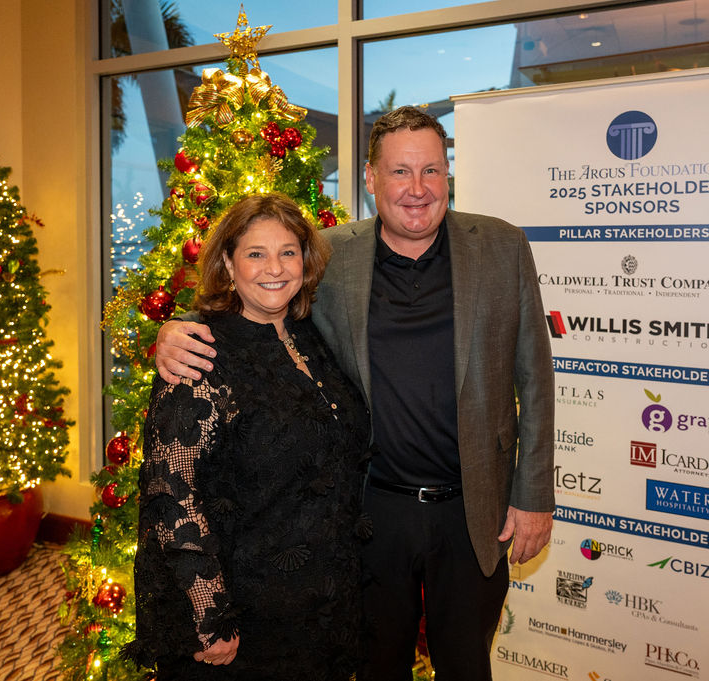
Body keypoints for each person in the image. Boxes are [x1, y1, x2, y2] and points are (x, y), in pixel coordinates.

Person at [155, 106, 555, 681]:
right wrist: (178, 328)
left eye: (431, 170)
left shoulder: (501, 245)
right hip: (369, 515)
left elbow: (535, 377)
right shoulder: (329, 253)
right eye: (399, 172)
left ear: (447, 173)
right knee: (375, 666)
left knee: (468, 665)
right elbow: (260, 296)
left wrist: (534, 496)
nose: (417, 189)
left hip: (474, 512)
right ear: (370, 178)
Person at [125, 192, 371, 681]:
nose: (274, 268)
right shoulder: (199, 354)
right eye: (256, 253)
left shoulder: (310, 335)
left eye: (288, 252)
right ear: (227, 264)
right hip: (244, 614)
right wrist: (209, 613)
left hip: (323, 601)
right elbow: (171, 494)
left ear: (305, 261)